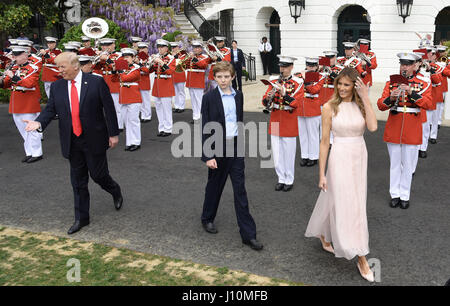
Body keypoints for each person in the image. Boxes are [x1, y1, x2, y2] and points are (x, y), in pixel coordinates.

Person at [24, 52, 123, 235]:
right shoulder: (57, 86)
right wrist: (38, 123)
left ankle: (114, 190)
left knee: (98, 175)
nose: (59, 70)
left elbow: (108, 109)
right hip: (71, 140)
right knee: (78, 182)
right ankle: (81, 218)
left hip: (94, 138)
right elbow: (51, 109)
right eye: (58, 67)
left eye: (62, 67)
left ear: (75, 66)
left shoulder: (95, 82)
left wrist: (114, 134)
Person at [305, 67, 378, 282]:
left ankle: (324, 233)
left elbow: (373, 127)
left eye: (347, 84)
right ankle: (361, 256)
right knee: (349, 204)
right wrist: (321, 174)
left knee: (350, 200)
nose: (342, 88)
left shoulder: (360, 104)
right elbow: (324, 142)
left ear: (355, 86)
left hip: (359, 156)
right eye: (339, 84)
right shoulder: (328, 107)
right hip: (339, 157)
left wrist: (365, 97)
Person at [200, 61, 263, 251]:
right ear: (214, 78)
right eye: (219, 77)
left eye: (227, 76)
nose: (223, 80)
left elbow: (239, 121)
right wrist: (208, 155)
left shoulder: (239, 96)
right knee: (215, 186)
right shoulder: (209, 98)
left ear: (233, 77)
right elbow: (205, 127)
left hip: (235, 146)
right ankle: (207, 218)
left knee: (240, 190)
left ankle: (248, 234)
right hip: (217, 147)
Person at [377, 53, 432, 209]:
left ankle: (405, 195)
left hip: (412, 127)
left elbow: (428, 103)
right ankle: (394, 194)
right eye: (402, 64)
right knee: (394, 164)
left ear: (415, 65)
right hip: (394, 126)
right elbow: (381, 104)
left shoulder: (423, 83)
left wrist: (411, 92)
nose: (404, 67)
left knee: (407, 165)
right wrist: (391, 98)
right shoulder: (390, 83)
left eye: (408, 64)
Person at [262, 55, 304, 192]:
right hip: (275, 118)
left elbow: (296, 103)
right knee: (277, 152)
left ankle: (289, 179)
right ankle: (281, 178)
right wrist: (268, 97)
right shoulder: (273, 80)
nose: (282, 69)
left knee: (289, 152)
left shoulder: (298, 83)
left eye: (285, 67)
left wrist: (284, 94)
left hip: (289, 119)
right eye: (281, 66)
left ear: (291, 67)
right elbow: (265, 98)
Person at [0, 45, 43, 163]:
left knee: (31, 129)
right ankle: (29, 152)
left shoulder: (32, 68)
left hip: (28, 102)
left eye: (17, 55)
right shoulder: (14, 68)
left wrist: (13, 76)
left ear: (25, 55)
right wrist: (2, 81)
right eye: (14, 55)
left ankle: (37, 153)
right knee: (23, 130)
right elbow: (7, 84)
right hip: (16, 103)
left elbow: (29, 83)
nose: (14, 58)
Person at [296, 58, 325, 167]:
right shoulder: (298, 75)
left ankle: (313, 157)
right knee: (303, 134)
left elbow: (314, 90)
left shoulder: (320, 76)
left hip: (312, 108)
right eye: (309, 65)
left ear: (317, 66)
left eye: (313, 66)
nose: (311, 68)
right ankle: (305, 155)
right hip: (300, 108)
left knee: (313, 134)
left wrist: (305, 79)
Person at [112, 48, 142, 151]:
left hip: (133, 96)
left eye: (128, 57)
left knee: (133, 120)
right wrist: (114, 70)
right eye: (124, 57)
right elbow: (114, 79)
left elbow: (126, 78)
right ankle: (129, 142)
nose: (126, 59)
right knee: (127, 121)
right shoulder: (123, 69)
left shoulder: (136, 68)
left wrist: (119, 70)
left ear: (133, 58)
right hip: (124, 96)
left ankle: (136, 142)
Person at [148, 39, 176, 137]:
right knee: (159, 108)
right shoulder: (157, 57)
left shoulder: (171, 58)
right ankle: (161, 128)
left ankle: (168, 129)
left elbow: (170, 72)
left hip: (166, 84)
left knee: (166, 108)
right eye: (158, 47)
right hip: (157, 85)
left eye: (162, 47)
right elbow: (149, 71)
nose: (159, 49)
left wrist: (160, 62)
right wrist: (151, 63)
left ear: (166, 48)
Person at [184, 41, 210, 124]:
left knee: (199, 100)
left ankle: (202, 117)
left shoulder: (205, 56)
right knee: (193, 101)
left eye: (197, 47)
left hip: (198, 81)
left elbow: (203, 65)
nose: (195, 49)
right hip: (190, 81)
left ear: (201, 48)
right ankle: (195, 117)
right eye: (194, 47)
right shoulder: (191, 56)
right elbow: (185, 66)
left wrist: (193, 58)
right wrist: (187, 58)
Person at [136, 42, 152, 123]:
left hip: (144, 81)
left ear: (147, 49)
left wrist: (139, 64)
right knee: (140, 100)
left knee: (145, 100)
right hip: (137, 81)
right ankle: (143, 115)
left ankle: (147, 115)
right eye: (140, 48)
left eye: (143, 48)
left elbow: (147, 70)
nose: (141, 50)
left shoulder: (149, 59)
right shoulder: (136, 58)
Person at [171, 42, 187, 114]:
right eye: (172, 47)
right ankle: (177, 106)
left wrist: (176, 57)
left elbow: (182, 65)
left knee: (181, 92)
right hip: (173, 75)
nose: (173, 49)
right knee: (175, 92)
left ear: (178, 47)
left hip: (180, 75)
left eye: (175, 47)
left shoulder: (182, 55)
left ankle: (182, 106)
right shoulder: (170, 55)